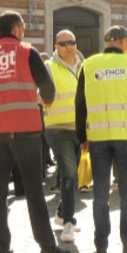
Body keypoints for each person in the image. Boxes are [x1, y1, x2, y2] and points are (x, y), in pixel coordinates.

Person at [0, 11, 70, 253]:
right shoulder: (27, 51)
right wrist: (45, 101)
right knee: (34, 189)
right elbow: (47, 86)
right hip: (25, 129)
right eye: (23, 27)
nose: (24, 31)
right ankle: (47, 247)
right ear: (16, 29)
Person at [75, 25, 127, 253]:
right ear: (119, 42)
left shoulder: (89, 64)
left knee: (100, 195)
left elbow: (80, 104)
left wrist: (81, 137)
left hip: (97, 137)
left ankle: (101, 250)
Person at [44, 30, 84, 242]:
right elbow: (39, 93)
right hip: (58, 127)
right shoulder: (48, 68)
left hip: (81, 128)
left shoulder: (86, 67)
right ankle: (69, 222)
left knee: (73, 173)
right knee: (69, 174)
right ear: (56, 46)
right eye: (64, 43)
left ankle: (61, 214)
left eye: (72, 42)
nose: (69, 46)